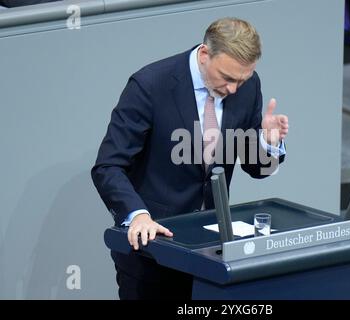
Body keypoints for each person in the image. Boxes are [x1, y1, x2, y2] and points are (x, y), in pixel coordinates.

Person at [91, 17, 289, 300]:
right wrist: (138, 215)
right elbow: (108, 166)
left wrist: (267, 143)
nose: (234, 89)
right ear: (205, 54)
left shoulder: (247, 86)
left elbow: (254, 166)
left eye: (242, 80)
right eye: (228, 77)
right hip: (152, 251)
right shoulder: (150, 85)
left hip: (211, 252)